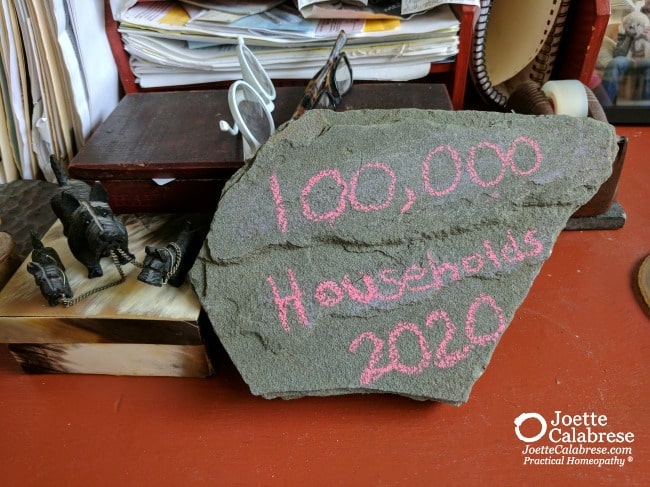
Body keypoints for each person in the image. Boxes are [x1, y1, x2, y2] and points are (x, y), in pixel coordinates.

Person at [601, 11, 650, 103]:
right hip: (628, 60)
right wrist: (628, 37)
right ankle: (603, 105)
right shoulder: (625, 29)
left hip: (647, 60)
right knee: (615, 62)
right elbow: (618, 55)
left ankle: (645, 109)